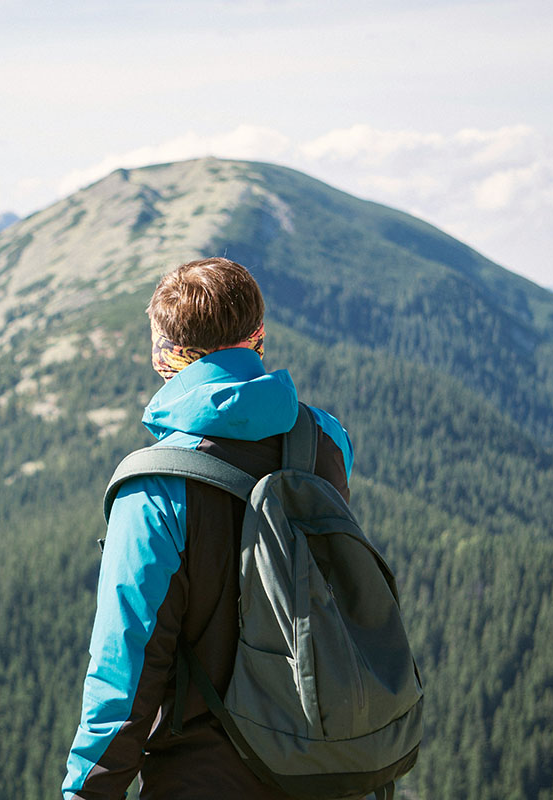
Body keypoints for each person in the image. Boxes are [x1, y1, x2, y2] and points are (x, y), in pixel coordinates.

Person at [63, 257, 355, 799]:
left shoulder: (154, 489)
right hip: (334, 765)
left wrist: (85, 793)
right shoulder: (327, 443)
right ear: (258, 338)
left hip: (205, 779)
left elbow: (124, 673)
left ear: (164, 356)